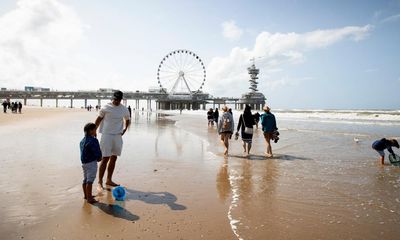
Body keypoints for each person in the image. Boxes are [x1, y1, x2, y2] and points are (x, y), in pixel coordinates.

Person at [95, 90, 131, 189]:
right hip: (106, 135)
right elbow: (99, 119)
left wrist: (125, 129)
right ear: (113, 98)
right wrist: (94, 130)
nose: (117, 101)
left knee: (114, 158)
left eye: (119, 100)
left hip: (117, 136)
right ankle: (99, 182)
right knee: (105, 158)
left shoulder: (124, 109)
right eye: (115, 99)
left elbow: (127, 119)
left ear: (121, 99)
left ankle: (109, 180)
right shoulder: (106, 107)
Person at [80, 123, 102, 204]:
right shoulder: (93, 140)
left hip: (84, 163)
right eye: (95, 129)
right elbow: (97, 151)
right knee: (90, 181)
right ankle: (89, 198)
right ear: (91, 131)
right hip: (91, 162)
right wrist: (99, 158)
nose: (95, 131)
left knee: (85, 179)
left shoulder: (82, 140)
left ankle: (86, 195)